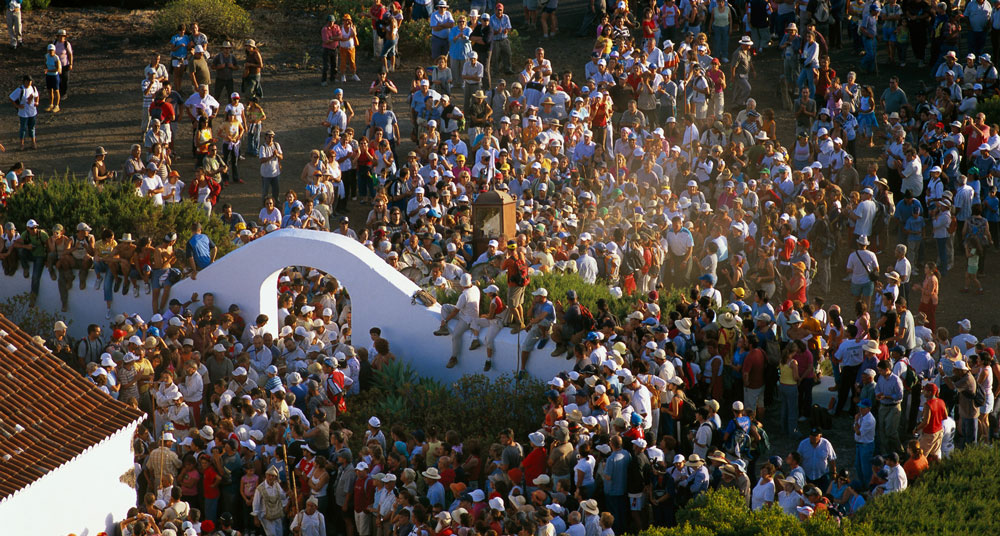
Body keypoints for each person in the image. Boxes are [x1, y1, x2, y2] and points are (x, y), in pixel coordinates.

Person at [9, 74, 38, 149]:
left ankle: (33, 142)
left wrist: (36, 102)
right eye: (28, 81)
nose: (29, 83)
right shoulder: (20, 90)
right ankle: (22, 144)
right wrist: (17, 106)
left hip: (32, 112)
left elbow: (37, 96)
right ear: (24, 81)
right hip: (23, 113)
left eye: (30, 81)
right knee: (23, 128)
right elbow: (11, 98)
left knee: (32, 128)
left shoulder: (33, 88)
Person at [259, 130, 283, 204]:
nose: (271, 138)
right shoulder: (263, 147)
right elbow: (262, 160)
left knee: (276, 191)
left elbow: (281, 157)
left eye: (272, 137)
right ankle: (264, 204)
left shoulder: (276, 145)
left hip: (276, 173)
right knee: (265, 191)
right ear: (265, 137)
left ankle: (276, 204)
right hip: (266, 174)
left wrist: (277, 155)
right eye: (269, 137)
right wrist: (272, 156)